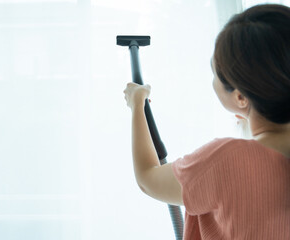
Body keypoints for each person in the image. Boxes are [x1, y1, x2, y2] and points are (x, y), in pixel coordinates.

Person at [123, 3, 290, 239]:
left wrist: (137, 106)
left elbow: (148, 178)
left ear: (240, 97)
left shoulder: (228, 160)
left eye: (215, 73)